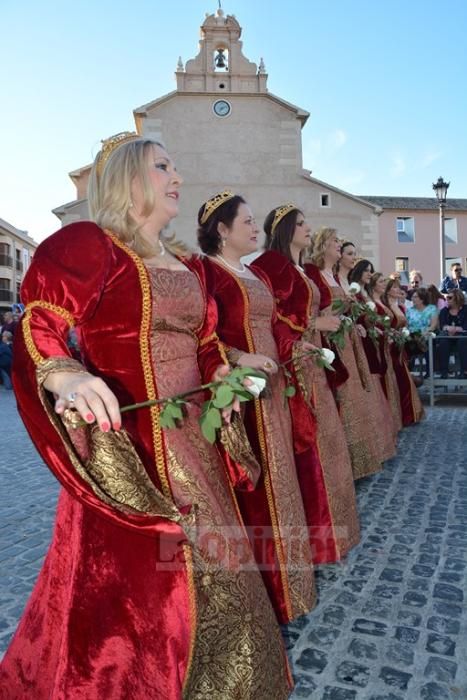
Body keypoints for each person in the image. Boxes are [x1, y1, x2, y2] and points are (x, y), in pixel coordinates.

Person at [0, 134, 290, 699]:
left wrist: (229, 371)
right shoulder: (93, 244)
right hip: (132, 450)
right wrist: (65, 374)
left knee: (222, 571)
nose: (176, 175)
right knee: (138, 593)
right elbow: (41, 318)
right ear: (130, 180)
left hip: (196, 443)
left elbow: (205, 342)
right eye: (162, 166)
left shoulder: (186, 265)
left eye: (177, 166)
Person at [197, 192, 316, 623]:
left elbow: (274, 327)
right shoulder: (206, 273)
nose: (254, 229)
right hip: (241, 395)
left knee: (282, 481)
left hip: (272, 390)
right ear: (222, 230)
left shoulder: (252, 273)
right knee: (257, 488)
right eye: (246, 222)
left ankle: (293, 583)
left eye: (254, 221)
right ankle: (268, 592)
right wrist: (238, 358)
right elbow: (199, 337)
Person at [252, 205, 360, 565]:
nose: (307, 228)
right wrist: (309, 330)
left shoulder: (302, 269)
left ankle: (337, 532)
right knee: (311, 447)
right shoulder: (272, 265)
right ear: (283, 229)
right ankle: (318, 539)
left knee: (329, 443)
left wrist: (321, 325)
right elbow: (273, 317)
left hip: (315, 358)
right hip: (299, 363)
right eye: (300, 224)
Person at [304, 227, 384, 480]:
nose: (338, 245)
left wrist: (354, 321)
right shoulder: (314, 273)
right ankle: (347, 463)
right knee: (345, 396)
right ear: (322, 246)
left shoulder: (336, 276)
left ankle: (362, 460)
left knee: (355, 395)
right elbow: (315, 309)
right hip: (331, 340)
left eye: (339, 241)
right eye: (334, 241)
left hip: (347, 339)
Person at [348, 260, 399, 447]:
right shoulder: (354, 291)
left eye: (371, 271)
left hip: (372, 339)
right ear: (359, 272)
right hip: (361, 339)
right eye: (367, 271)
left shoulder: (366, 294)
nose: (370, 274)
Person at [382, 278, 424, 426]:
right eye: (394, 287)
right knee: (400, 380)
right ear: (388, 290)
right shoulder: (386, 306)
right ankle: (404, 415)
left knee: (404, 379)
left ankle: (409, 414)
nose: (398, 290)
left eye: (398, 287)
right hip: (391, 347)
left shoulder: (401, 306)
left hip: (400, 347)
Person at [368, 273, 403, 433]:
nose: (383, 284)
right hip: (378, 344)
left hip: (387, 344)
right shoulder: (373, 302)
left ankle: (394, 421)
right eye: (381, 282)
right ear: (373, 284)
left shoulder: (381, 302)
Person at [437, 289, 467, 379]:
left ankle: (464, 371)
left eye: (450, 297)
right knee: (443, 342)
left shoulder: (466, 310)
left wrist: (455, 329)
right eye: (446, 297)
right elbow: (443, 326)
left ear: (457, 298)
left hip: (463, 336)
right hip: (448, 335)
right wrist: (449, 328)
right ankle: (444, 372)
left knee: (462, 341)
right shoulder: (444, 311)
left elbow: (465, 327)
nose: (447, 299)